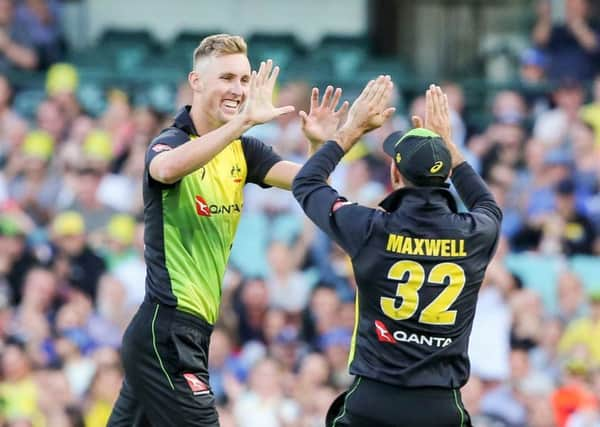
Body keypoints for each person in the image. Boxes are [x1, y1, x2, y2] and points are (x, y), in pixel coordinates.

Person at [108, 33, 349, 426]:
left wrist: (319, 146)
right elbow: (165, 169)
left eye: (243, 79)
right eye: (226, 78)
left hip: (191, 334)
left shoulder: (244, 150)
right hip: (164, 330)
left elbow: (308, 181)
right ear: (196, 81)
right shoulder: (170, 142)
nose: (237, 89)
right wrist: (242, 122)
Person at [292, 83, 502, 426]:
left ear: (394, 175)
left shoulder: (370, 228)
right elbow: (488, 205)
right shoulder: (476, 233)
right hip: (441, 407)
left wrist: (352, 129)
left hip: (372, 402)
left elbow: (307, 184)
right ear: (446, 175)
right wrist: (450, 147)